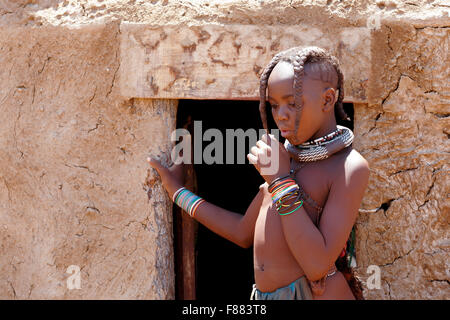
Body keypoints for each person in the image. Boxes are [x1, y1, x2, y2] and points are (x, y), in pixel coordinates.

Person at [147, 46, 370, 300]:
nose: (281, 116)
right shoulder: (287, 160)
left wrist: (280, 181)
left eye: (293, 103)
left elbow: (316, 264)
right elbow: (243, 232)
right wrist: (178, 192)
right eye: (274, 106)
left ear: (328, 100)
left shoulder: (349, 167)